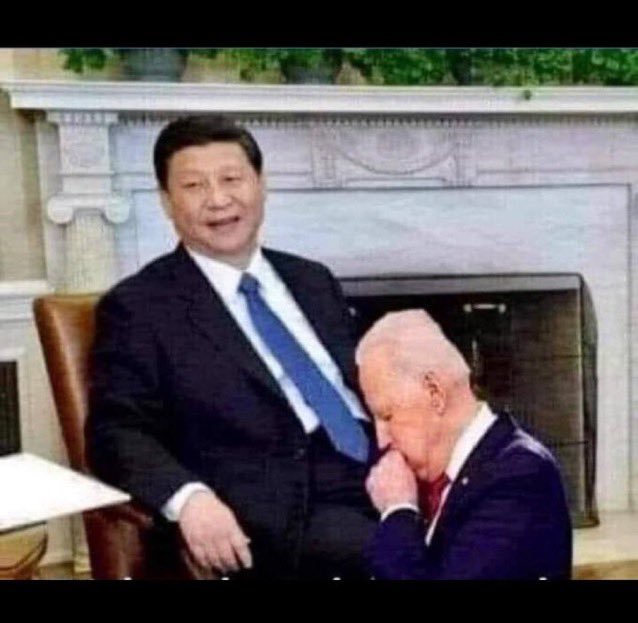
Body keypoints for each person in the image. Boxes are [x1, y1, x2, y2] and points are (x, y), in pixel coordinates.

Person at [87, 114, 377, 579]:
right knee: (401, 551)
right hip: (282, 507)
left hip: (384, 468)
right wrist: (189, 499)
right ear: (166, 201)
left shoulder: (312, 279)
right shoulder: (139, 307)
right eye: (194, 186)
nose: (218, 199)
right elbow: (115, 433)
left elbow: (367, 384)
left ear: (260, 184)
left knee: (501, 508)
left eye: (231, 179)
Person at [356, 309, 573, 580]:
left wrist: (398, 511)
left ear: (434, 393)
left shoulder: (520, 474)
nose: (382, 440)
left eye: (388, 416)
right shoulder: (426, 480)